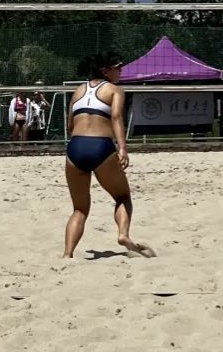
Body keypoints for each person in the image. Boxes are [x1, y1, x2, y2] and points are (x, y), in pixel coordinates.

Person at [63, 52, 155, 259]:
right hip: (100, 146)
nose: (121, 71)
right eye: (118, 67)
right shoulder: (115, 90)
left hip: (75, 148)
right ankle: (123, 235)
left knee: (79, 209)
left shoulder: (78, 90)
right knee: (123, 196)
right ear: (105, 71)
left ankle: (67, 254)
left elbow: (70, 125)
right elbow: (116, 117)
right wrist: (122, 147)